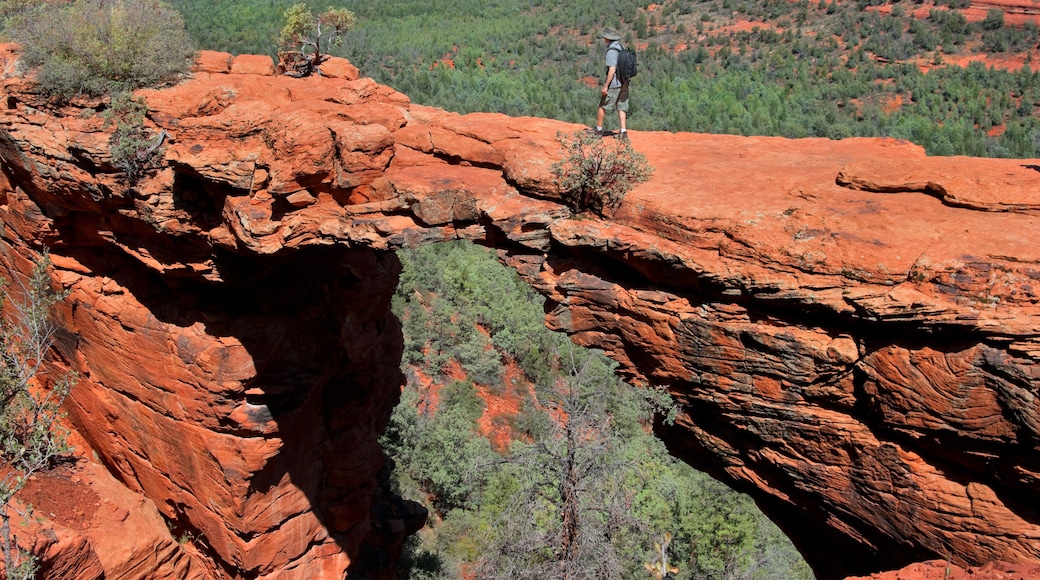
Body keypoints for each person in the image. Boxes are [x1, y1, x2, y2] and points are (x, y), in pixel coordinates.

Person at [591, 27, 629, 140]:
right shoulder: (620, 47)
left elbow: (612, 70)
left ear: (607, 38)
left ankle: (598, 130)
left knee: (602, 106)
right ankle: (623, 132)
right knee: (621, 107)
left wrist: (605, 86)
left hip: (614, 84)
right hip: (624, 82)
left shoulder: (611, 51)